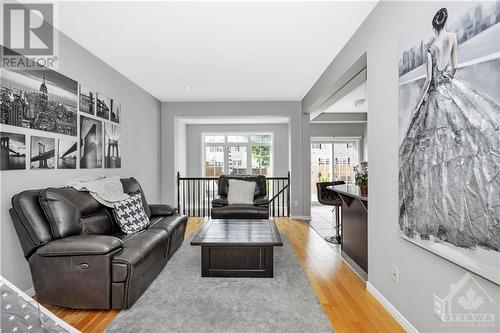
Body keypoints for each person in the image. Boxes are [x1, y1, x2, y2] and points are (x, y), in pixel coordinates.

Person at [399, 8, 500, 251]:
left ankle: (439, 213)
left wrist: (418, 104)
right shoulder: (453, 37)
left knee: (433, 152)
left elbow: (427, 81)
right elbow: (454, 66)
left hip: (436, 95)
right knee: (459, 141)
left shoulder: (430, 47)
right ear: (444, 23)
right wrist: (448, 80)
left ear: (434, 25)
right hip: (450, 87)